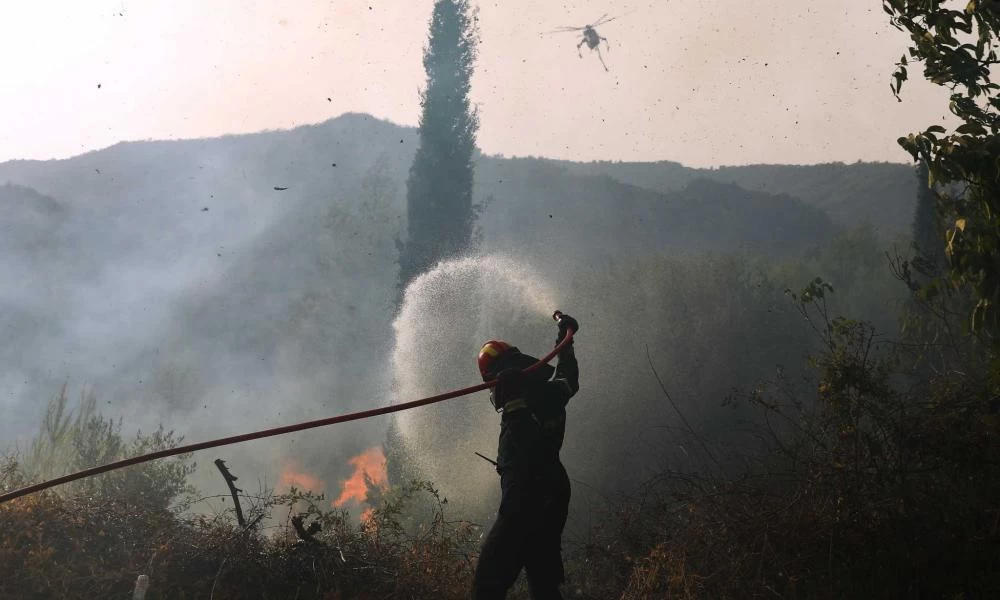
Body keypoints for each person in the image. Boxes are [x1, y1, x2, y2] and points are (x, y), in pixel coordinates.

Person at [472, 311, 580, 600]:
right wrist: (565, 345)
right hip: (554, 496)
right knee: (544, 586)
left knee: (486, 588)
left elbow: (527, 448)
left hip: (523, 506)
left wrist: (514, 402)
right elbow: (569, 377)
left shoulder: (518, 407)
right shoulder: (553, 392)